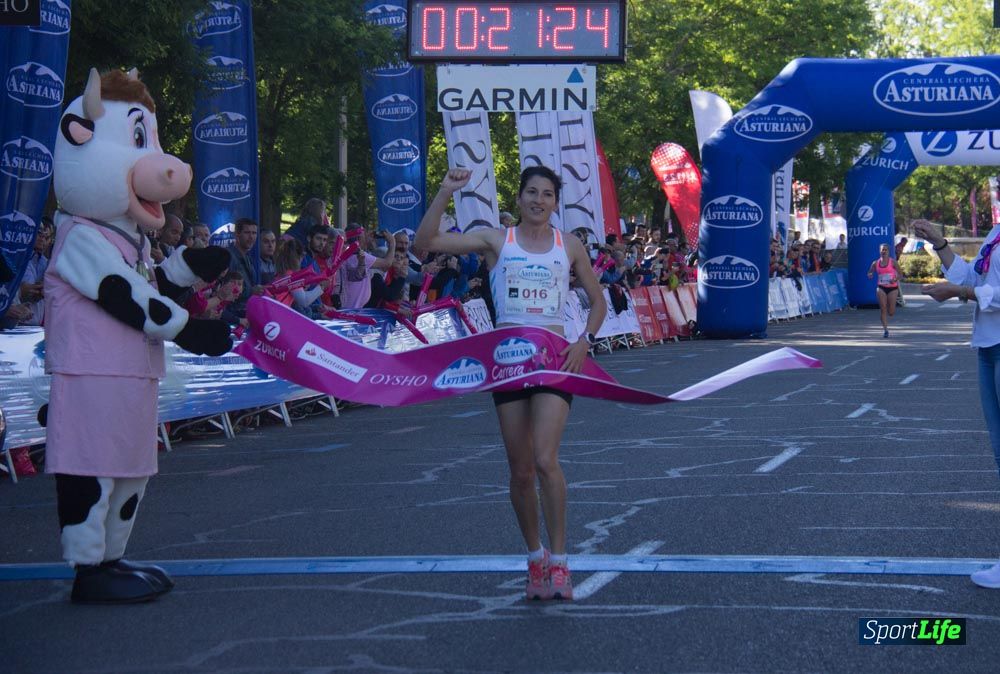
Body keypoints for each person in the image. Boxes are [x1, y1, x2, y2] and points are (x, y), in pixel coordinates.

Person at [415, 166, 607, 602]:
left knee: (544, 459)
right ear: (519, 199)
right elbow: (426, 243)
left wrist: (585, 341)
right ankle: (535, 556)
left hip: (555, 358)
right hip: (507, 363)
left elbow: (597, 300)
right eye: (532, 193)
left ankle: (560, 561)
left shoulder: (569, 245)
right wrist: (446, 190)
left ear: (556, 203)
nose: (539, 200)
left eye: (547, 195)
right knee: (520, 470)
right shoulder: (496, 240)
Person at [917, 219, 1000, 589]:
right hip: (988, 346)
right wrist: (941, 244)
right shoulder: (996, 234)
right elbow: (974, 276)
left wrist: (959, 293)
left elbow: (983, 291)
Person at [338, 223, 394, 310]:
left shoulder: (349, 255)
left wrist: (368, 242)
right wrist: (392, 243)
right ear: (358, 238)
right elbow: (387, 263)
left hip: (351, 307)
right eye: (364, 235)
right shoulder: (358, 256)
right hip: (351, 308)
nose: (366, 237)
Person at [867, 242, 903, 338]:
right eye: (882, 250)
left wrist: (895, 279)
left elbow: (901, 274)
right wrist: (870, 274)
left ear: (888, 251)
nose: (884, 251)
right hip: (881, 287)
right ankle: (886, 330)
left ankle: (889, 306)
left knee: (891, 312)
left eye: (885, 250)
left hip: (892, 288)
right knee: (883, 309)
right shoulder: (875, 263)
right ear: (880, 251)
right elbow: (870, 272)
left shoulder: (893, 262)